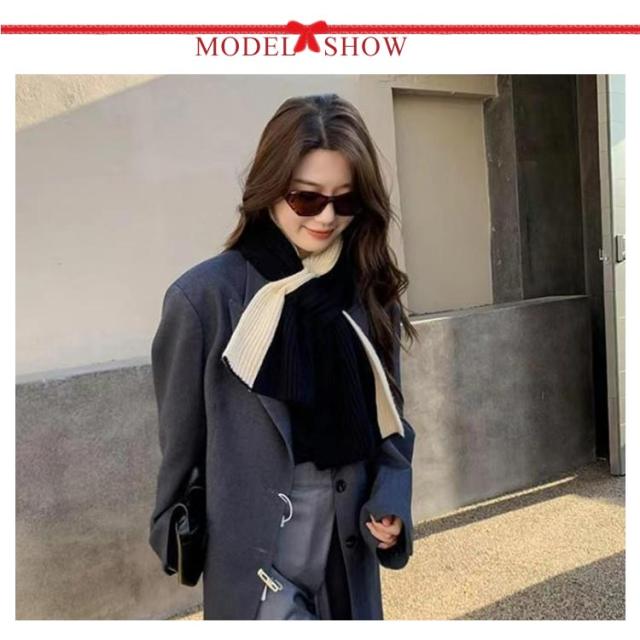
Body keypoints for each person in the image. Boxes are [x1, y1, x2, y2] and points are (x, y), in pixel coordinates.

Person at [148, 93, 419, 620]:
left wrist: (391, 500)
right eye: (307, 198)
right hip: (254, 558)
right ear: (270, 189)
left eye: (345, 200)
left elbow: (392, 422)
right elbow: (180, 445)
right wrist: (174, 530)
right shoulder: (205, 300)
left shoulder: (367, 289)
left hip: (346, 547)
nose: (328, 217)